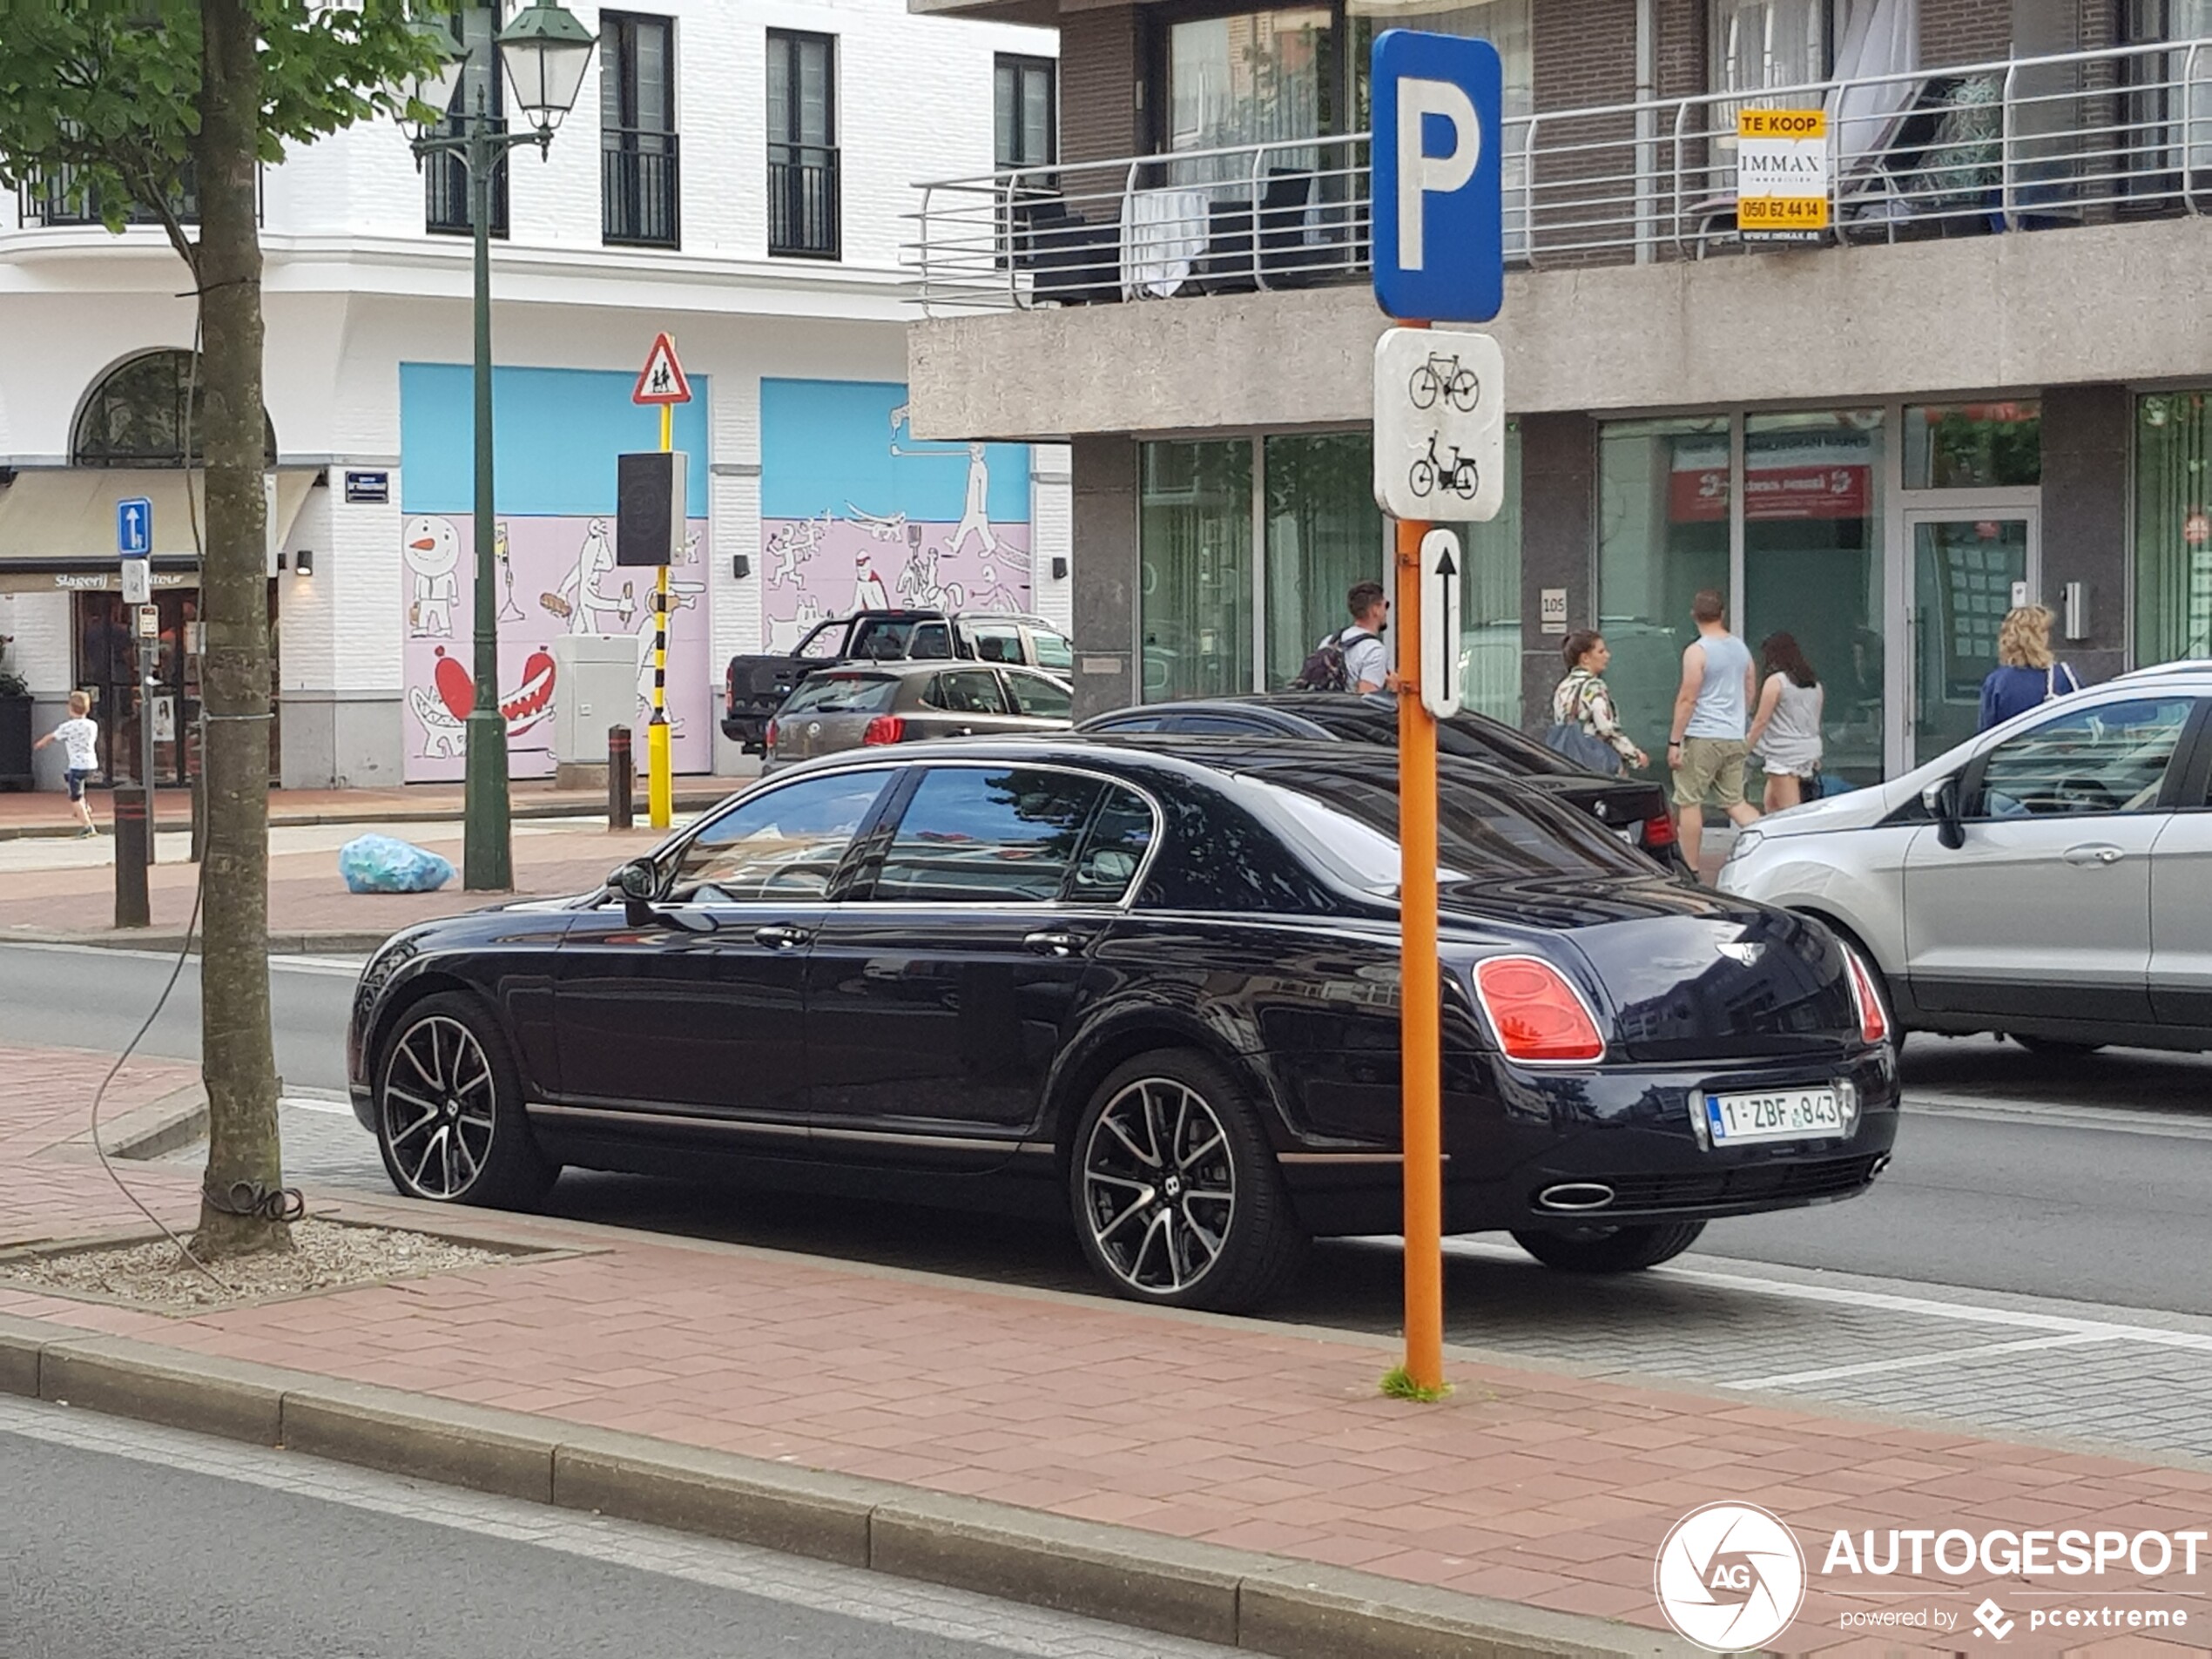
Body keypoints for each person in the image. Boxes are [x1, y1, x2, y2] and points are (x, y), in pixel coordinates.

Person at [1666, 589, 1761, 880]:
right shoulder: (1740, 649)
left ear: (1693, 615)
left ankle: (1690, 871)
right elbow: (1749, 688)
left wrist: (1675, 740)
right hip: (1734, 735)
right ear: (1722, 614)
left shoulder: (1697, 651)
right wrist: (1740, 720)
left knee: (1689, 801)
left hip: (1703, 735)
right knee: (1735, 802)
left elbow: (1688, 697)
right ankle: (1772, 842)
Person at [1745, 631, 1824, 812]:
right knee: (1771, 804)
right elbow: (1815, 722)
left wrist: (1745, 748)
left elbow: (1761, 720)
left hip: (1783, 753)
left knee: (1790, 812)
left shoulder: (1776, 682)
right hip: (1808, 749)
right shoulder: (1814, 685)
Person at [1549, 631, 1648, 771]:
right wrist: (1635, 756)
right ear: (1585, 658)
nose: (1607, 655)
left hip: (1567, 762)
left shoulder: (1563, 687)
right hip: (1595, 761)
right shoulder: (1594, 687)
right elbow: (1606, 729)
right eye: (1601, 652)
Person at [1978, 604, 2080, 732]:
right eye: (2044, 631)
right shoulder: (2064, 676)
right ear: (2039, 637)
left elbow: (1986, 735)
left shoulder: (1996, 682)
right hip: (2055, 750)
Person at [1295, 581, 1399, 694]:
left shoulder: (1330, 641)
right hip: (1346, 710)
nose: (1386, 612)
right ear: (1375, 610)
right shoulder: (1374, 651)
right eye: (1386, 605)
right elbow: (1369, 703)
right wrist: (1394, 690)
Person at [33, 691, 100, 838]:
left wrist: (40, 744)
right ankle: (84, 808)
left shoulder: (68, 727)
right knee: (68, 777)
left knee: (74, 796)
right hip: (91, 763)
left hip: (77, 764)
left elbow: (52, 736)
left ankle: (88, 826)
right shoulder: (92, 725)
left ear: (70, 708)